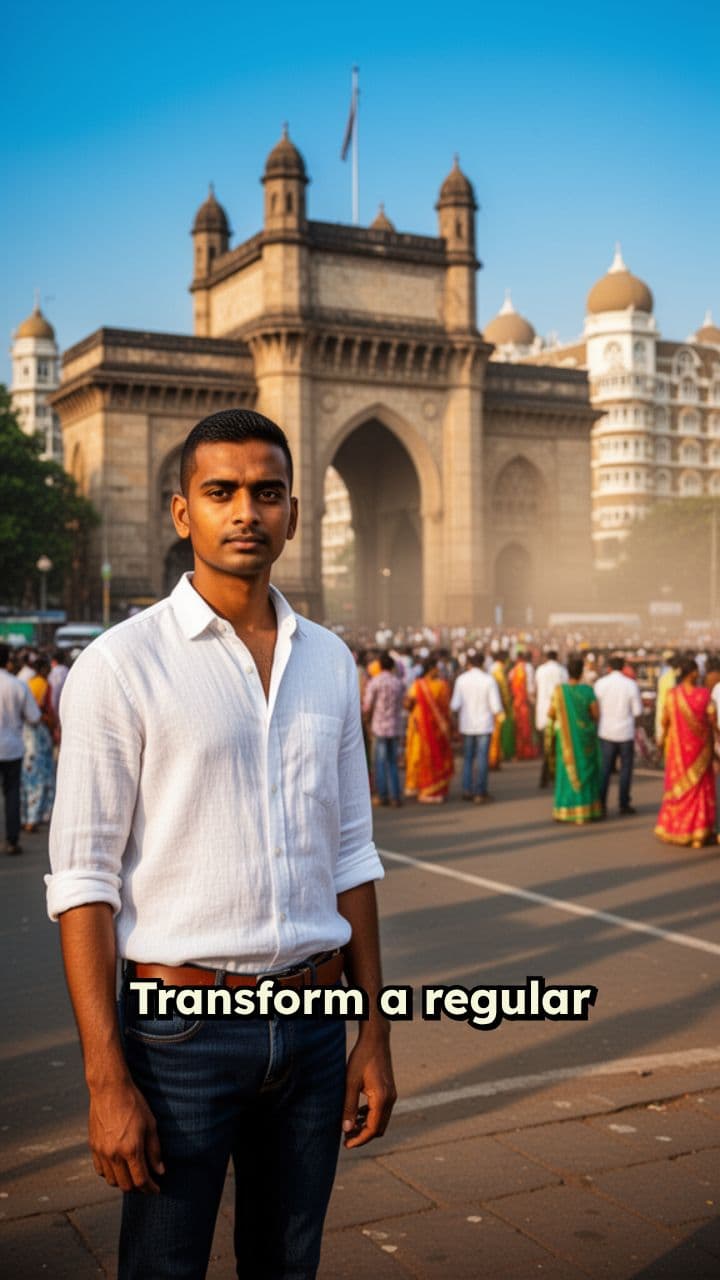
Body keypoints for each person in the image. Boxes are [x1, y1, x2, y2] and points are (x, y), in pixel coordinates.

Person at [46, 409, 396, 1280]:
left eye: (267, 493)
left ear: (294, 515)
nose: (247, 511)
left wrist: (373, 1027)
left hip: (315, 1025)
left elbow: (351, 853)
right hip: (179, 1035)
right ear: (181, 512)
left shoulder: (328, 660)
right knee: (164, 1266)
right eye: (222, 492)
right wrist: (104, 1079)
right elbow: (84, 883)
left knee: (287, 1264)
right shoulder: (121, 666)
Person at [655, 656, 716, 848]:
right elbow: (713, 722)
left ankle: (675, 828)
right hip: (700, 751)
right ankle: (698, 832)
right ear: (694, 673)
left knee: (678, 789)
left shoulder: (672, 695)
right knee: (699, 790)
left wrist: (661, 740)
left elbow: (665, 721)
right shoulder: (704, 695)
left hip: (678, 752)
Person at [547, 654, 602, 824]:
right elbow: (595, 714)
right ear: (581, 673)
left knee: (566, 773)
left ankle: (565, 809)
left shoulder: (559, 692)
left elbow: (550, 713)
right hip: (585, 740)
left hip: (567, 741)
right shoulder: (587, 691)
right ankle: (587, 810)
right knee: (587, 773)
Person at [0, 642, 41, 855]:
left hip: (11, 747)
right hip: (11, 748)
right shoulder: (17, 685)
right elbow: (34, 717)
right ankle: (11, 840)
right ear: (8, 661)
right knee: (12, 792)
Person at [450, 651, 502, 804]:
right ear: (483, 663)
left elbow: (454, 705)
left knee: (467, 758)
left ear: (469, 664)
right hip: (484, 725)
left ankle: (467, 790)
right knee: (482, 758)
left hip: (467, 725)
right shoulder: (488, 680)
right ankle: (480, 791)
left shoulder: (462, 680)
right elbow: (496, 707)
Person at [594, 654, 643, 816]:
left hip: (606, 731)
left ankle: (601, 803)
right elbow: (637, 711)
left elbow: (595, 709)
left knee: (605, 769)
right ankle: (624, 803)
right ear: (623, 668)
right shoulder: (630, 685)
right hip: (625, 731)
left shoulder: (600, 684)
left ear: (608, 667)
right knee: (626, 770)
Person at [404, 657, 454, 803]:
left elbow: (409, 703)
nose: (438, 670)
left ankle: (427, 788)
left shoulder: (419, 685)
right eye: (435, 667)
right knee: (426, 756)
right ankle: (427, 789)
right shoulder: (438, 686)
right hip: (425, 727)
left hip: (428, 726)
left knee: (427, 756)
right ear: (430, 669)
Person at [362, 651, 405, 807]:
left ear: (379, 666)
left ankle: (383, 795)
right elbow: (402, 703)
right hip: (394, 726)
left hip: (379, 726)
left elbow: (367, 706)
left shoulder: (375, 682)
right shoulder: (398, 683)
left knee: (379, 762)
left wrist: (366, 718)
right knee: (393, 762)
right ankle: (395, 795)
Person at [21, 655, 56, 832]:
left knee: (28, 776)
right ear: (43, 669)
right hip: (39, 734)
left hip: (25, 735)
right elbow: (43, 711)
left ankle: (26, 816)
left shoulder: (28, 683)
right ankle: (36, 816)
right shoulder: (42, 685)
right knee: (42, 776)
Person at [535, 650, 568, 788]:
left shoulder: (540, 670)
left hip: (543, 711)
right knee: (558, 747)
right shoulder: (561, 671)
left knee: (546, 746)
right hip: (557, 713)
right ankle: (552, 776)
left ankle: (546, 776)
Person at [508, 651, 537, 760]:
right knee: (526, 727)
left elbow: (510, 685)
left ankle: (522, 752)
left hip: (517, 703)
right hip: (525, 702)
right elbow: (530, 687)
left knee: (520, 728)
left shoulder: (514, 670)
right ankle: (527, 751)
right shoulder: (527, 668)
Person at [491, 650, 515, 763]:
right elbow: (504, 690)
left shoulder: (495, 668)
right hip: (499, 705)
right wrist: (508, 704)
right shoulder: (499, 671)